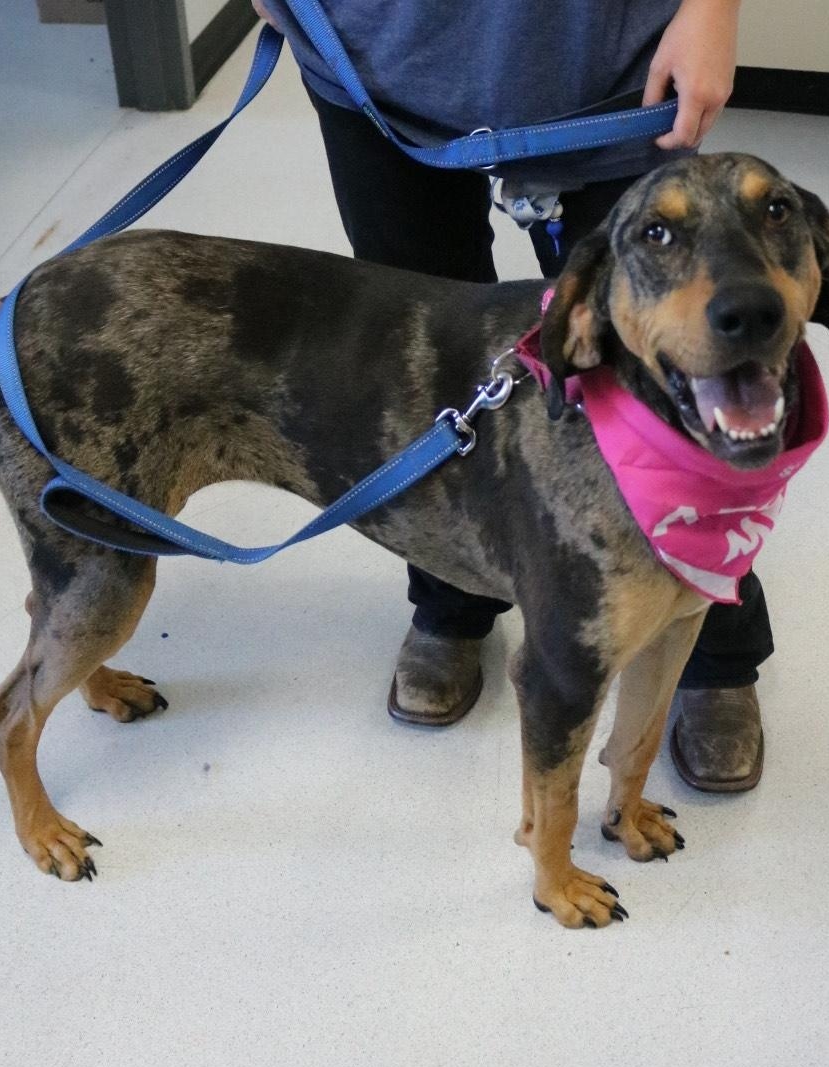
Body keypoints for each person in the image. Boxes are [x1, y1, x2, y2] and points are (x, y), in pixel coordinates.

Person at [251, 0, 770, 792]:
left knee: (667, 375)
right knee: (423, 366)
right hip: (373, 54)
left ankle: (715, 641)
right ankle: (452, 597)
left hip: (612, 60)